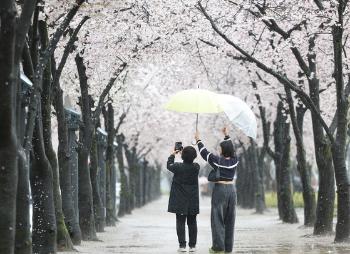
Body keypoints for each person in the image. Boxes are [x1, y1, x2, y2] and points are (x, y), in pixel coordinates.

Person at [195, 127, 238, 254]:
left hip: (220, 190)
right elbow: (232, 148)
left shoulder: (217, 161)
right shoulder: (235, 160)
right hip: (232, 190)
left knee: (217, 218)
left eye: (220, 148)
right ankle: (228, 248)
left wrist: (198, 140)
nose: (219, 149)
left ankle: (218, 247)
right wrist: (226, 135)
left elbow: (204, 153)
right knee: (230, 219)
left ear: (223, 150)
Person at [167, 146, 200, 253]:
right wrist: (184, 154)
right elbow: (190, 161)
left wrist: (173, 154)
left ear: (182, 156)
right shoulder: (196, 167)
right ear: (194, 156)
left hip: (180, 200)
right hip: (192, 200)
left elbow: (169, 165)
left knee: (180, 222)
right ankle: (192, 246)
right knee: (192, 222)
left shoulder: (177, 167)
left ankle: (182, 246)